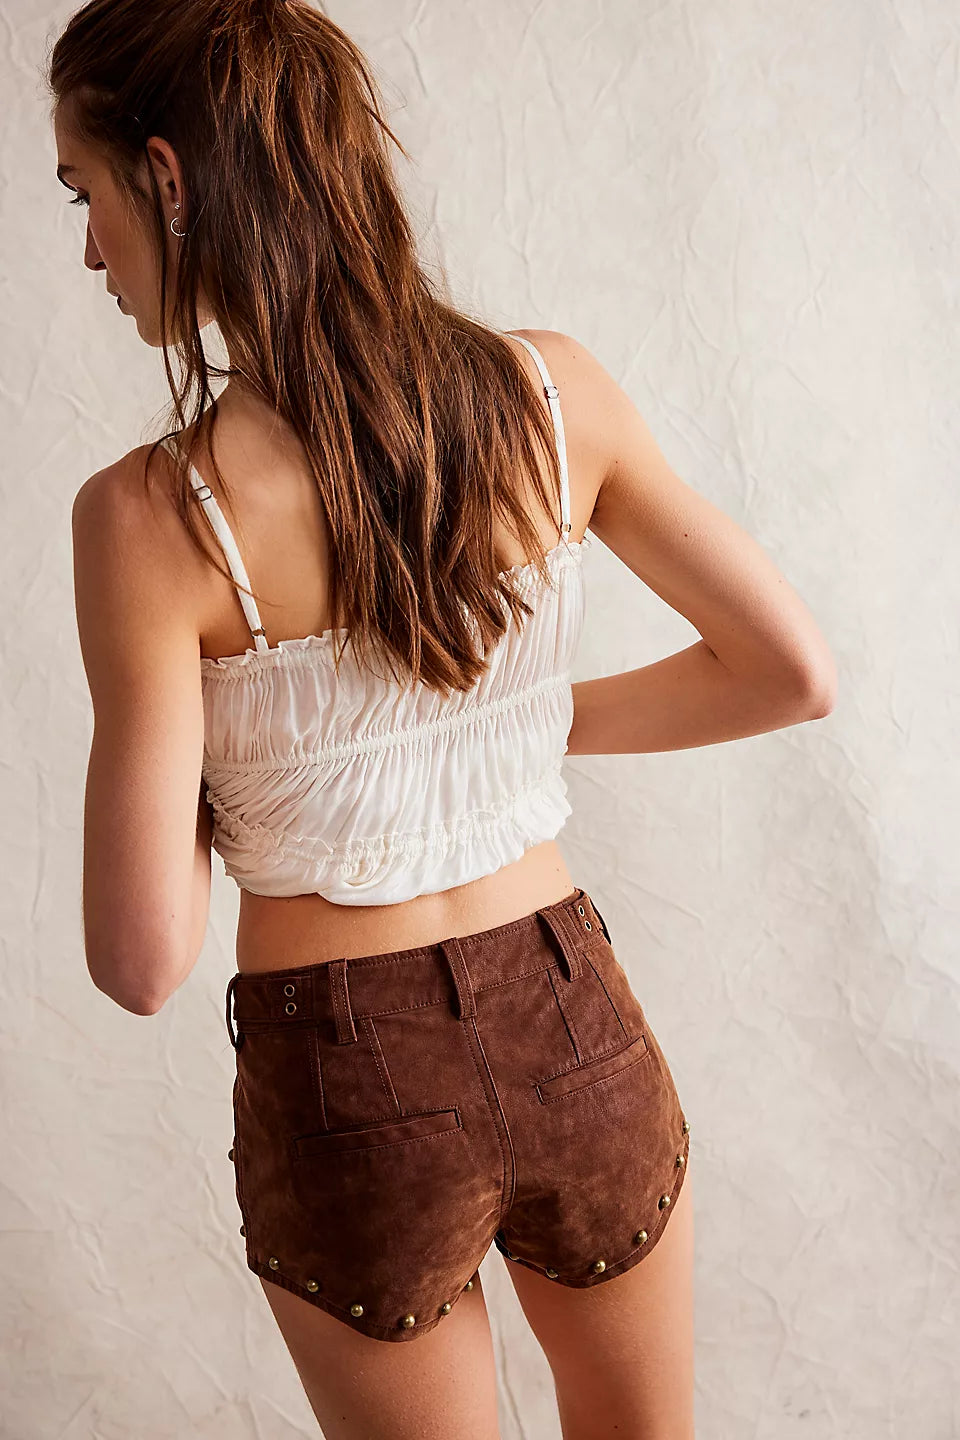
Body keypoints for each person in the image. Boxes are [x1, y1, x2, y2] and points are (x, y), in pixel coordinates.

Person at [48, 3, 836, 1436]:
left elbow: (141, 958)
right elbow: (788, 670)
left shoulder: (149, 520)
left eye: (81, 193)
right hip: (571, 1015)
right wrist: (516, 724)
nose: (90, 250)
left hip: (348, 1078)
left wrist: (255, 775)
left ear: (166, 176)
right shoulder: (551, 394)